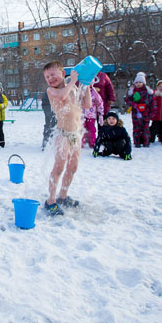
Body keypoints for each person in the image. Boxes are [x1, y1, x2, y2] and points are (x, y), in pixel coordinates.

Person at [43, 61, 92, 215]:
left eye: (53, 74)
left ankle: (63, 196)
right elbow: (62, 95)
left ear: (63, 73)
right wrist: (72, 81)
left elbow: (88, 105)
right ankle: (50, 200)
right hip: (62, 134)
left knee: (73, 167)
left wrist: (87, 86)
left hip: (76, 134)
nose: (50, 78)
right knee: (59, 167)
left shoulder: (74, 87)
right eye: (47, 77)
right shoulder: (52, 91)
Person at [124, 72, 157, 148]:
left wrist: (152, 112)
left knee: (146, 128)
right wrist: (133, 104)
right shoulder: (132, 92)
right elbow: (128, 100)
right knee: (136, 128)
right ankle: (137, 142)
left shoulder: (148, 92)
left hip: (146, 113)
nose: (138, 84)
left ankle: (146, 142)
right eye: (137, 82)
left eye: (140, 82)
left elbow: (153, 102)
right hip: (136, 114)